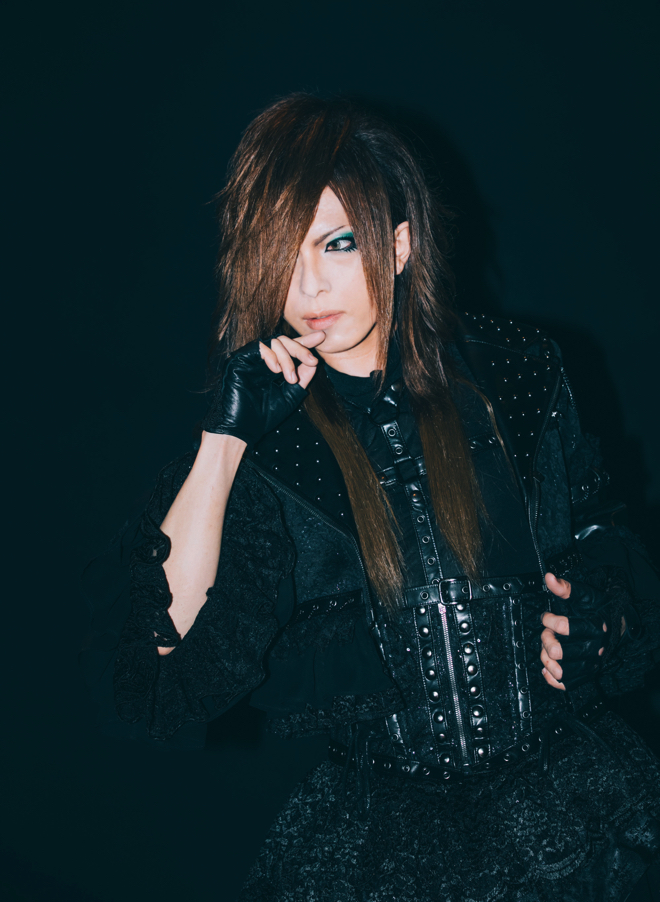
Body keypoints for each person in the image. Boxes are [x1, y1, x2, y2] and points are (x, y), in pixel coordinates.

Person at [82, 94, 660, 901]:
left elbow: (603, 532)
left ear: (399, 244)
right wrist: (224, 441)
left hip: (571, 808)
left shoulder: (518, 371)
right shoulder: (268, 442)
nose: (307, 284)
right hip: (383, 838)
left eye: (338, 242)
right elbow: (158, 663)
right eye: (281, 252)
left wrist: (599, 615)